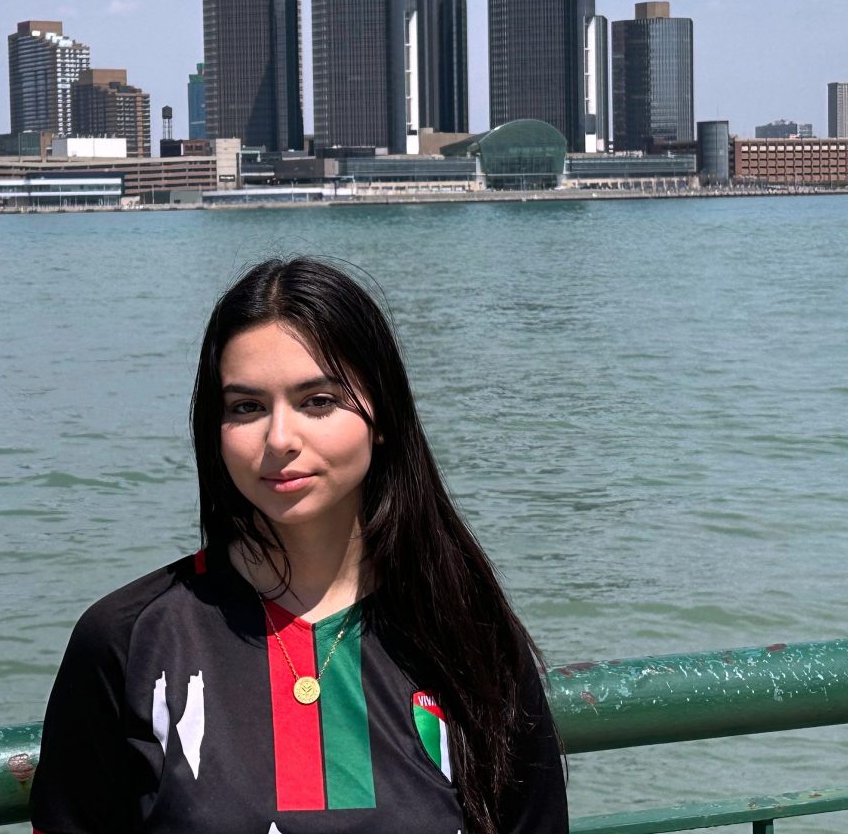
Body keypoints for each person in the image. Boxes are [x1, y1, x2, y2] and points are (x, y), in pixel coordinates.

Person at [30, 257, 567, 834]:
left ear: (381, 415)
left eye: (318, 401)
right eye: (247, 407)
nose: (280, 439)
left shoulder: (469, 634)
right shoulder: (129, 640)